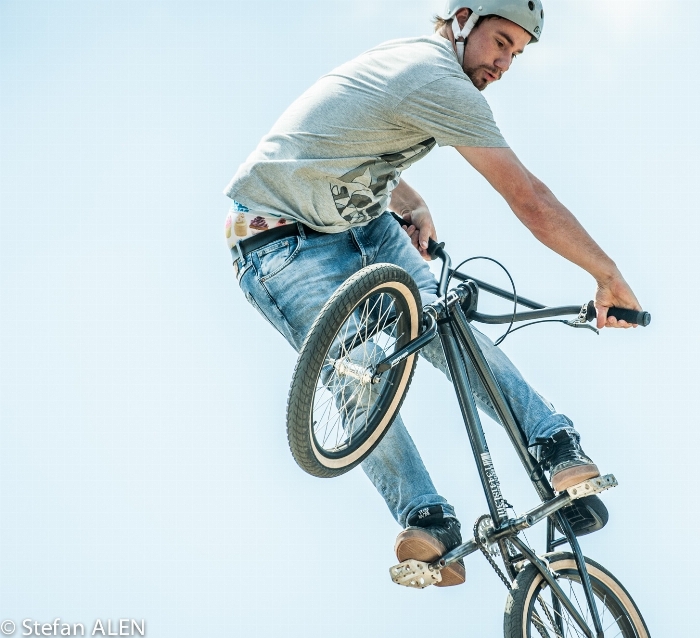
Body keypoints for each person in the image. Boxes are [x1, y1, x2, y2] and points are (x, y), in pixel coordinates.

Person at [223, 0, 643, 587]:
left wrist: (406, 198)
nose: (504, 64)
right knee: (356, 372)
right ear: (464, 18)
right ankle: (424, 518)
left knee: (448, 330)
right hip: (280, 243)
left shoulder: (416, 68)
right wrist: (607, 276)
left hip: (362, 222)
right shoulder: (435, 78)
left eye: (516, 54)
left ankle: (553, 450)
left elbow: (342, 142)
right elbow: (530, 199)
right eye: (500, 43)